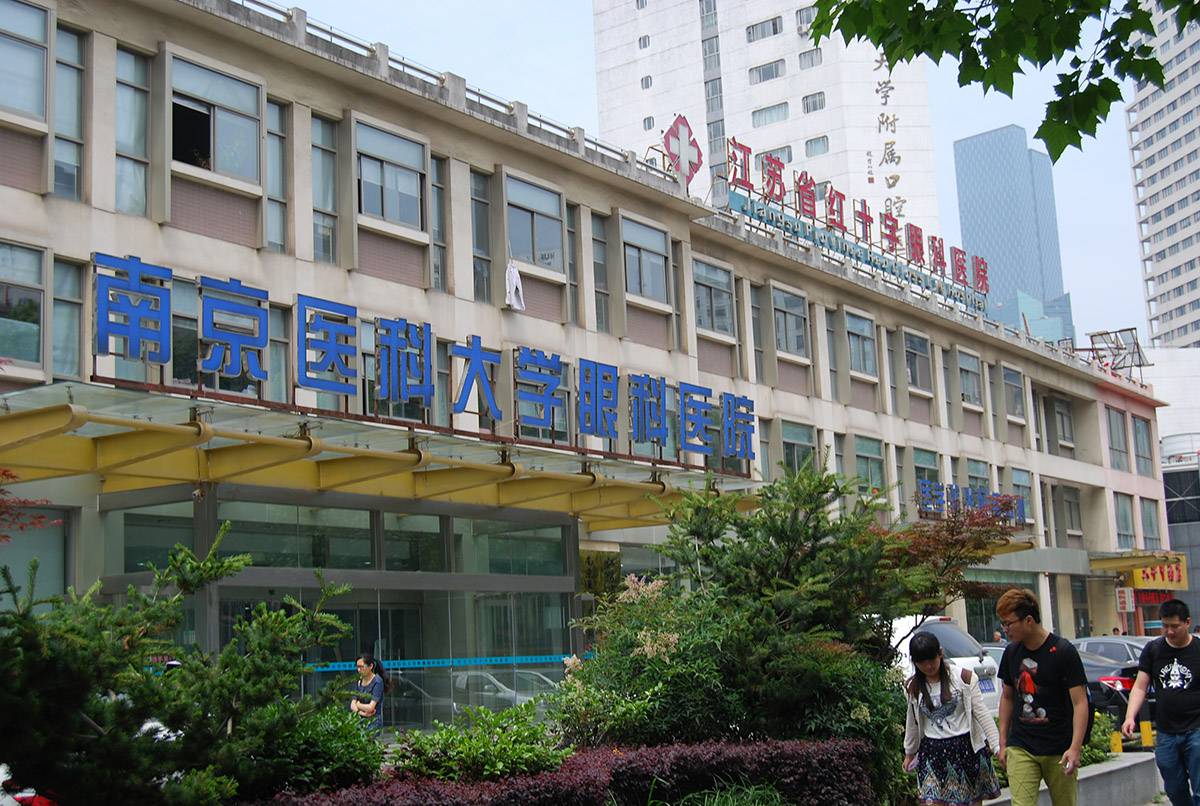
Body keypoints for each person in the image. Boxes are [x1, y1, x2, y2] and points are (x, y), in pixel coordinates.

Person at [996, 588, 1088, 806]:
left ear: (1028, 620)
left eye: (1008, 624)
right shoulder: (1011, 653)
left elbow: (1080, 702)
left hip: (1059, 748)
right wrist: (1003, 741)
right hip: (1021, 746)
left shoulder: (1063, 651)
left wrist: (1075, 748)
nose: (1005, 630)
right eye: (1003, 624)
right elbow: (1007, 697)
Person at [903, 632, 1001, 805]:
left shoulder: (963, 678)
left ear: (940, 653)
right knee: (932, 801)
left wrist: (997, 746)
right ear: (915, 662)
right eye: (922, 662)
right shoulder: (913, 686)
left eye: (931, 659)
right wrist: (909, 753)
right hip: (932, 752)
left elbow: (982, 713)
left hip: (965, 749)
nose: (928, 666)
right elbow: (912, 722)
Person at [1122, 598, 1200, 806]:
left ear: (1187, 622)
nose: (1169, 631)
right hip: (1166, 731)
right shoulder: (1153, 649)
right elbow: (1140, 686)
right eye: (1165, 626)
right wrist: (1129, 717)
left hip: (1197, 728)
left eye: (1175, 626)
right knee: (1174, 789)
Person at [350, 651, 389, 732]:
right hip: (358, 720)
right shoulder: (358, 680)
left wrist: (358, 704)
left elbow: (371, 708)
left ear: (370, 666)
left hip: (373, 722)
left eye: (361, 667)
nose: (359, 670)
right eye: (357, 667)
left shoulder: (377, 681)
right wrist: (362, 713)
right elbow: (352, 705)